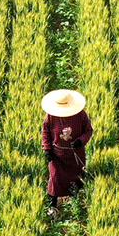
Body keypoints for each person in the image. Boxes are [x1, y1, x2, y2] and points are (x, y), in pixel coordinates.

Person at [41, 89, 93, 217]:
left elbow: (88, 130)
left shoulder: (80, 115)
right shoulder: (51, 116)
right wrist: (47, 148)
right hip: (57, 155)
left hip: (75, 154)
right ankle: (52, 206)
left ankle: (74, 201)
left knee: (76, 177)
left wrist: (81, 141)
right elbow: (45, 132)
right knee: (55, 179)